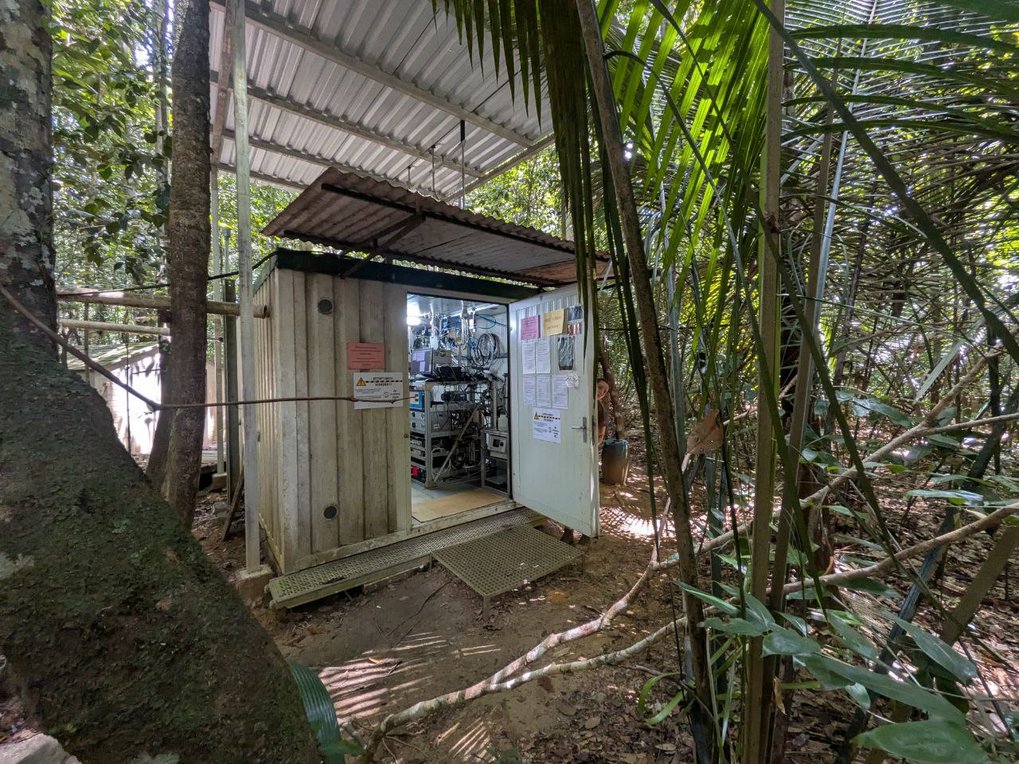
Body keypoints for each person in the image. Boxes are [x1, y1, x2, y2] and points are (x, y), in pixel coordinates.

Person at [596, 378, 610, 446]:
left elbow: (601, 435)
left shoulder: (602, 409)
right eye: (599, 387)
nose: (601, 393)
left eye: (604, 392)